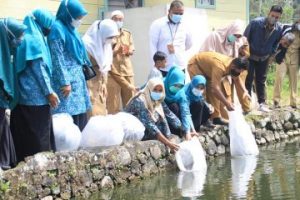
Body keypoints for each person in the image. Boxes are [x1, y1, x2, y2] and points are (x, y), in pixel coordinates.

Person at [10, 9, 58, 162]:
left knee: (24, 133)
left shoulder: (23, 38)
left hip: (22, 96)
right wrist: (49, 92)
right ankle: (39, 166)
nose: (49, 29)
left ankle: (21, 162)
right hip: (36, 98)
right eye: (48, 25)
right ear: (42, 24)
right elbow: (40, 70)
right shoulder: (35, 40)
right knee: (38, 135)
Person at [48, 0, 92, 131]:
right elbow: (57, 58)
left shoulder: (71, 29)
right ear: (68, 14)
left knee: (79, 116)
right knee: (67, 118)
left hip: (77, 80)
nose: (79, 20)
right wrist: (64, 82)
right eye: (77, 17)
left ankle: (79, 147)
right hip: (66, 84)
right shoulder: (57, 29)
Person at [200, 19, 251, 114]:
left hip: (226, 72)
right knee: (215, 93)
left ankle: (224, 117)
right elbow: (206, 55)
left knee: (227, 97)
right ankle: (214, 117)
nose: (236, 38)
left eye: (239, 36)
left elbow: (235, 61)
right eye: (235, 35)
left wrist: (245, 90)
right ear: (230, 30)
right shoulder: (214, 36)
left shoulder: (237, 43)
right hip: (212, 70)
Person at [188, 52, 249, 125]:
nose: (239, 73)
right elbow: (215, 89)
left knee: (214, 96)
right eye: (239, 71)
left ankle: (216, 118)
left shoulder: (233, 64)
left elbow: (237, 79)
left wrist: (245, 91)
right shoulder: (220, 66)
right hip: (196, 66)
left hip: (208, 71)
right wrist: (227, 103)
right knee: (201, 94)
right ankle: (201, 120)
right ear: (233, 66)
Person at [244, 5, 283, 112]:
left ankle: (261, 103)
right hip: (250, 56)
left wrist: (271, 52)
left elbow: (276, 43)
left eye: (277, 17)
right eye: (273, 15)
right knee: (248, 79)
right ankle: (246, 103)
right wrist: (245, 54)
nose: (274, 18)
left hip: (264, 57)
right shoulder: (256, 23)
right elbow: (245, 38)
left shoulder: (279, 28)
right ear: (268, 13)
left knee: (261, 80)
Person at [124, 78, 180, 152]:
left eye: (160, 91)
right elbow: (150, 124)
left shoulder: (158, 101)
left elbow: (168, 114)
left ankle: (168, 138)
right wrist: (168, 143)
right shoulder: (140, 100)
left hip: (145, 126)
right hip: (131, 131)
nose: (157, 92)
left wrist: (184, 130)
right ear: (149, 89)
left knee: (160, 114)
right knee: (156, 118)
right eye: (155, 90)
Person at [0, 18, 26, 169]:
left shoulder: (7, 50)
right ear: (7, 34)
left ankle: (6, 162)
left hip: (2, 100)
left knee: (4, 128)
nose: (20, 40)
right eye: (18, 36)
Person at [82, 19, 119, 116]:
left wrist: (104, 83)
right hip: (89, 84)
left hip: (100, 83)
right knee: (92, 114)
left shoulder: (105, 45)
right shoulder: (87, 45)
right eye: (110, 37)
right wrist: (88, 89)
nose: (112, 40)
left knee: (102, 113)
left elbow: (105, 67)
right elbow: (83, 69)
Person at [149, 0, 192, 76]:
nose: (178, 15)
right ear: (169, 11)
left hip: (179, 67)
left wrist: (178, 51)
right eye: (176, 13)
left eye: (181, 14)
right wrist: (155, 65)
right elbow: (152, 46)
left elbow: (189, 44)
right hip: (163, 68)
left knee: (179, 88)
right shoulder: (157, 24)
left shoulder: (186, 25)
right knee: (163, 88)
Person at [106, 10, 136, 114]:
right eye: (116, 19)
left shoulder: (127, 33)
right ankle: (113, 126)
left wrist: (130, 50)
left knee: (130, 101)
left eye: (120, 19)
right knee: (112, 103)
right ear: (111, 20)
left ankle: (130, 125)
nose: (118, 21)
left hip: (127, 71)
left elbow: (132, 46)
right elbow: (105, 54)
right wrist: (116, 51)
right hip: (112, 73)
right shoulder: (107, 34)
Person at [164, 67, 198, 140]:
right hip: (158, 109)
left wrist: (188, 131)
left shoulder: (181, 93)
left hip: (171, 113)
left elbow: (185, 112)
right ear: (170, 80)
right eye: (175, 85)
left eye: (180, 86)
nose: (177, 88)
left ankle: (177, 134)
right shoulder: (160, 86)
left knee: (175, 107)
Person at [273, 19, 300, 108]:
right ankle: (276, 101)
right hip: (283, 58)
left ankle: (293, 102)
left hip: (295, 59)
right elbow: (278, 40)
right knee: (279, 78)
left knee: (294, 81)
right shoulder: (286, 28)